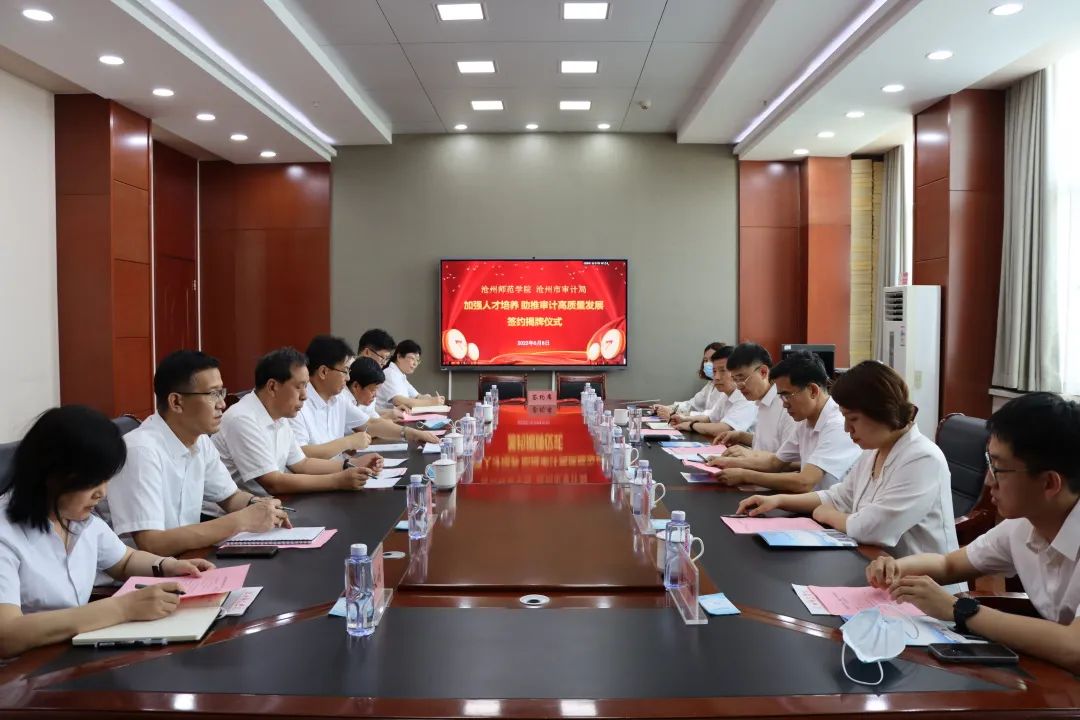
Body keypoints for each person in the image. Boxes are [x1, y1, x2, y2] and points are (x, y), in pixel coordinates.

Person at [866, 393, 1080, 674]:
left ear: (1050, 483)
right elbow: (949, 564)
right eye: (988, 463)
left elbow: (1074, 647)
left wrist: (960, 610)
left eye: (998, 467)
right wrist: (895, 567)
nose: (988, 480)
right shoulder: (1023, 526)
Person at [0, 406, 214, 657]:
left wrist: (167, 566)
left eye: (106, 480)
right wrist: (122, 609)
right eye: (92, 481)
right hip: (23, 668)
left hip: (70, 653)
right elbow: (7, 634)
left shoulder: (79, 519)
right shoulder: (6, 535)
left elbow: (124, 561)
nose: (102, 493)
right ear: (52, 474)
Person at [738, 360, 958, 559]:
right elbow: (839, 496)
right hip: (872, 563)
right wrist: (778, 501)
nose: (846, 428)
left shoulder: (922, 458)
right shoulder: (874, 451)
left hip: (921, 582)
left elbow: (873, 528)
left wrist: (827, 515)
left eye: (853, 419)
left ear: (881, 412)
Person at [97, 351, 291, 557]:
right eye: (213, 394)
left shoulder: (200, 440)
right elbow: (151, 543)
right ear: (176, 402)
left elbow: (230, 497)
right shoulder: (140, 451)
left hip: (186, 559)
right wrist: (241, 521)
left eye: (221, 392)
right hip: (144, 571)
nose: (222, 404)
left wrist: (259, 505)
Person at [213, 347, 381, 496]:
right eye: (299, 387)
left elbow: (302, 464)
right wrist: (337, 481)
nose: (305, 396)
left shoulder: (279, 415)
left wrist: (351, 464)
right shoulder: (243, 418)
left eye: (306, 386)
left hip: (270, 505)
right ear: (272, 387)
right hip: (232, 514)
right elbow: (273, 483)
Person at [708, 351, 860, 492]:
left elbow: (804, 481)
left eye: (787, 395)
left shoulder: (837, 425)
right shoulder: (805, 420)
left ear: (813, 391)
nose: (784, 403)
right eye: (781, 396)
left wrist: (745, 475)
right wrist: (727, 463)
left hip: (830, 508)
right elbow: (775, 462)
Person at [289, 335, 373, 459]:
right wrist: (347, 442)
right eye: (345, 371)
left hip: (338, 467)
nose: (348, 378)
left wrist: (351, 462)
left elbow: (369, 424)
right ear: (323, 372)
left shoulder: (339, 397)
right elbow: (300, 454)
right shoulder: (297, 403)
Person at [712, 342, 795, 453]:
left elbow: (788, 459)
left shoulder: (786, 405)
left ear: (763, 372)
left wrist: (749, 456)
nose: (739, 386)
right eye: (735, 380)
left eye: (742, 378)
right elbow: (765, 444)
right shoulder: (761, 401)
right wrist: (740, 436)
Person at [346, 358, 440, 445]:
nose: (375, 395)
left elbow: (375, 421)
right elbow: (372, 424)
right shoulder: (345, 400)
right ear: (355, 386)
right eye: (373, 390)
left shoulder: (358, 398)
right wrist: (414, 434)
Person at [671, 345, 757, 438]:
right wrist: (684, 419)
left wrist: (691, 425)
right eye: (714, 371)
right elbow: (710, 418)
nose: (716, 377)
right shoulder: (726, 395)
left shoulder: (746, 397)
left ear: (736, 371)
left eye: (722, 371)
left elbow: (724, 429)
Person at [652, 341, 727, 421]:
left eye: (712, 360)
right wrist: (667, 408)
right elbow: (691, 404)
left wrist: (678, 414)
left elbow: (713, 415)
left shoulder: (727, 386)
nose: (708, 363)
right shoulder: (710, 384)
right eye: (705, 360)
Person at [377, 340, 445, 411]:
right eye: (412, 358)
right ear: (399, 357)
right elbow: (399, 401)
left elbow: (417, 396)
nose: (415, 363)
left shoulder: (400, 375)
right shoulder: (390, 374)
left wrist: (429, 398)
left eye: (417, 360)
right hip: (384, 416)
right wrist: (431, 402)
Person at [356, 329, 405, 420]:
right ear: (367, 352)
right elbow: (361, 421)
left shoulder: (371, 374)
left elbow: (369, 411)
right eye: (383, 357)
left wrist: (391, 411)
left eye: (387, 358)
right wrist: (388, 417)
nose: (384, 363)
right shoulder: (351, 376)